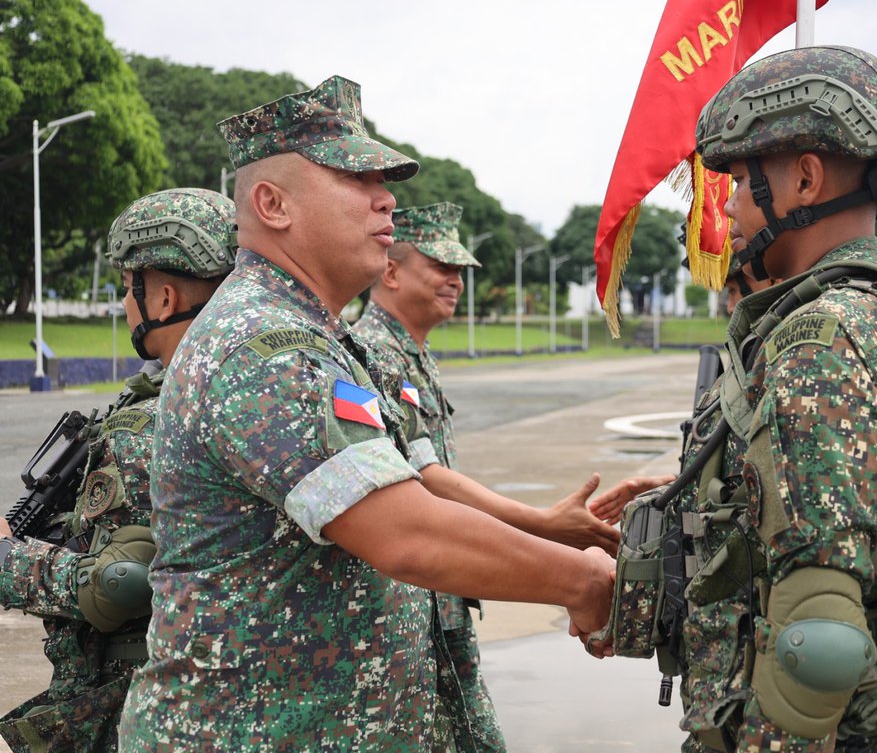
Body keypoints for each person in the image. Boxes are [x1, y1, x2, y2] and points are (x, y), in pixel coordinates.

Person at [118, 75, 618, 751]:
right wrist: (583, 580)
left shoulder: (309, 333)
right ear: (272, 203)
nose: (385, 199)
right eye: (355, 178)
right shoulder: (261, 346)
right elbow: (405, 533)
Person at [597, 46, 877, 752]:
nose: (724, 210)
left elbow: (819, 639)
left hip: (799, 731)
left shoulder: (823, 336)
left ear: (805, 180)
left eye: (736, 184)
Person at [0, 188, 237, 752]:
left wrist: (9, 556)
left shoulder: (151, 422)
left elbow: (121, 585)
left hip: (140, 703)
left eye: (127, 288)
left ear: (163, 298)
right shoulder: (242, 393)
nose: (123, 306)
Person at [350, 201, 499, 751]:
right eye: (440, 266)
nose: (455, 281)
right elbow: (427, 477)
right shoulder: (375, 353)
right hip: (409, 604)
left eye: (459, 271)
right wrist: (543, 530)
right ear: (391, 271)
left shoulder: (414, 353)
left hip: (439, 597)